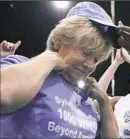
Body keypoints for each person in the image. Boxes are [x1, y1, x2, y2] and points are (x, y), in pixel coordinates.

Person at [0, 2, 119, 138]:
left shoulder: (85, 101)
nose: (90, 65)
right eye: (85, 53)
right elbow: (3, 96)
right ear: (59, 41)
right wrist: (51, 57)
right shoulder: (22, 66)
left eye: (96, 60)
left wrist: (104, 101)